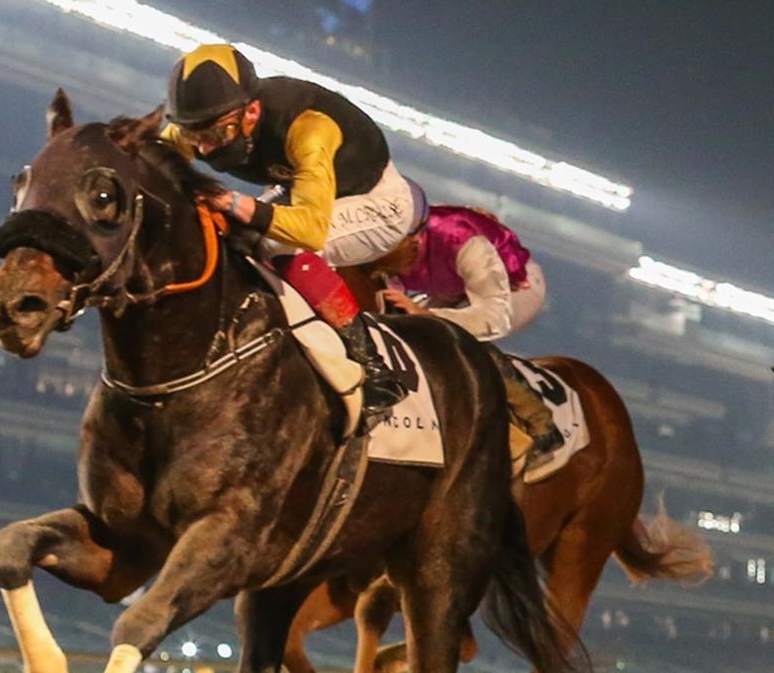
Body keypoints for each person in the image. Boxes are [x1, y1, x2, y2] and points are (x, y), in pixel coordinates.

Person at [159, 42, 421, 423]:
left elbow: (311, 231)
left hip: (379, 203)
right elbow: (146, 153)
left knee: (277, 244)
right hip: (306, 187)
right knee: (240, 238)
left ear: (252, 112)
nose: (203, 146)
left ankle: (373, 366)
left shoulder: (308, 127)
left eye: (216, 133)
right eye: (192, 133)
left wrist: (232, 202)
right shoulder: (209, 123)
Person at [369, 205, 563, 457]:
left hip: (513, 286)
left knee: (451, 337)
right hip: (448, 282)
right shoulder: (382, 242)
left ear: (414, 240)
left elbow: (494, 318)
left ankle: (539, 422)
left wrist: (427, 315)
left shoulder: (459, 239)